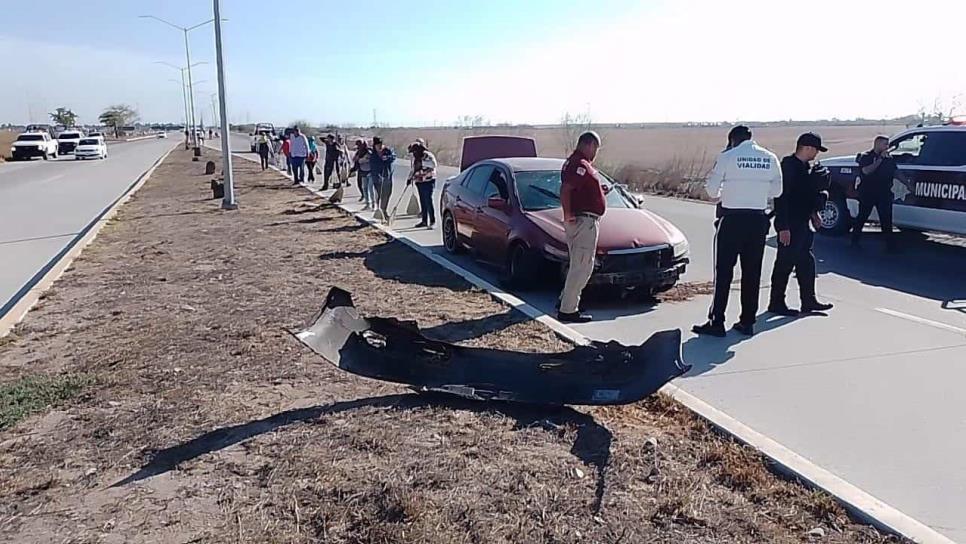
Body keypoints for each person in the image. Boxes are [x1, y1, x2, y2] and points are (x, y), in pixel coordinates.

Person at [692, 126, 783, 337]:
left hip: (731, 219)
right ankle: (747, 322)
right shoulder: (770, 158)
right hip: (758, 220)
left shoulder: (728, 157)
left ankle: (717, 321)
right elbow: (777, 191)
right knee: (752, 273)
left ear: (732, 140)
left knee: (723, 272)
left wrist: (730, 191)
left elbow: (712, 191)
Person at [769, 133, 835, 316]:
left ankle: (809, 300)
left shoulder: (806, 167)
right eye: (815, 150)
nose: (816, 154)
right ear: (807, 148)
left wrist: (814, 214)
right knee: (785, 262)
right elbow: (780, 198)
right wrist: (782, 227)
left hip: (803, 222)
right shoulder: (789, 167)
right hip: (790, 222)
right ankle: (776, 302)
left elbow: (806, 196)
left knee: (806, 261)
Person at [558, 131, 606, 323]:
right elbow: (566, 189)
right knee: (582, 267)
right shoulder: (580, 164)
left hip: (584, 219)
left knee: (578, 265)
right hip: (583, 222)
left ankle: (566, 300)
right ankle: (568, 310)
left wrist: (598, 192)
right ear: (589, 145)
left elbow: (577, 190)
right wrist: (568, 214)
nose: (595, 153)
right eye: (596, 148)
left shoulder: (576, 163)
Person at [852, 135, 897, 250]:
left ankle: (890, 246)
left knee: (886, 219)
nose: (887, 147)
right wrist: (879, 160)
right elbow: (866, 171)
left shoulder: (889, 158)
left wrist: (907, 184)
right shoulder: (866, 156)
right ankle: (854, 241)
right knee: (862, 217)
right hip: (868, 192)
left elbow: (895, 172)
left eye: (888, 144)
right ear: (877, 144)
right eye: (884, 144)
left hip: (884, 193)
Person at [408, 138, 438, 228]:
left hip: (429, 181)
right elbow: (413, 169)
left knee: (428, 200)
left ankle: (432, 221)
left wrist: (422, 163)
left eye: (414, 152)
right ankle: (424, 221)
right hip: (419, 181)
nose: (413, 154)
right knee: (422, 201)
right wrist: (409, 178)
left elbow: (434, 165)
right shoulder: (416, 158)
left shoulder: (428, 155)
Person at [369, 137, 396, 220]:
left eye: (380, 144)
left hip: (387, 176)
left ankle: (384, 210)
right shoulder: (373, 154)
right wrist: (377, 176)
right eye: (377, 145)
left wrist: (387, 158)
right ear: (374, 145)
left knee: (387, 194)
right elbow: (373, 166)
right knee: (380, 195)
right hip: (377, 178)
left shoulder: (387, 150)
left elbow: (393, 156)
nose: (379, 147)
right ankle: (380, 211)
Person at [349, 139, 374, 208]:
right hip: (362, 171)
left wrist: (361, 160)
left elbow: (368, 160)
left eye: (359, 145)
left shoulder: (369, 151)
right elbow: (355, 160)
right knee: (363, 187)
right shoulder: (358, 152)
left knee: (370, 188)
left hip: (370, 172)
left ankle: (373, 203)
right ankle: (366, 201)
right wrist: (353, 169)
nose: (358, 147)